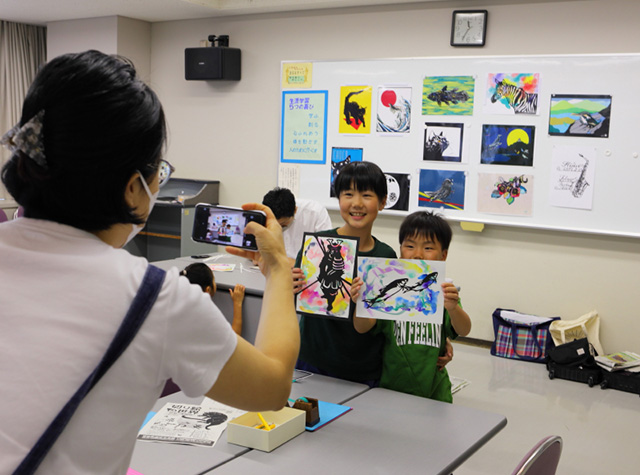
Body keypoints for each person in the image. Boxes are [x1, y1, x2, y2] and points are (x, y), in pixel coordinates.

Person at [0, 50, 299, 474]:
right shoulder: (155, 299)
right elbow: (272, 386)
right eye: (158, 167)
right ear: (131, 188)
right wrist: (281, 267)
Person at [294, 161, 396, 387]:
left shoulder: (385, 255)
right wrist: (288, 286)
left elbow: (380, 321)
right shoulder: (317, 246)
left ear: (382, 202)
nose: (357, 203)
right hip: (312, 361)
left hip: (362, 368)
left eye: (367, 195)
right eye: (348, 194)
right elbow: (295, 299)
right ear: (339, 199)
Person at [353, 211, 471, 402]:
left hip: (435, 391)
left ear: (443, 255)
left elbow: (464, 330)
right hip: (392, 389)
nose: (417, 254)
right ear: (400, 250)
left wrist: (453, 307)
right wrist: (360, 302)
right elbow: (361, 327)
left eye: (428, 247)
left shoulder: (443, 291)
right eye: (409, 246)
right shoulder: (391, 291)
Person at [262, 187, 332, 262]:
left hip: (304, 269)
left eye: (283, 225)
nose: (278, 228)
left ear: (295, 210)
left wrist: (297, 263)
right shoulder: (263, 214)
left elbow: (327, 250)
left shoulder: (316, 212)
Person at [181, 262, 246, 335]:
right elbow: (234, 338)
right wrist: (237, 303)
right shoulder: (207, 319)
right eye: (214, 280)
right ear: (208, 290)